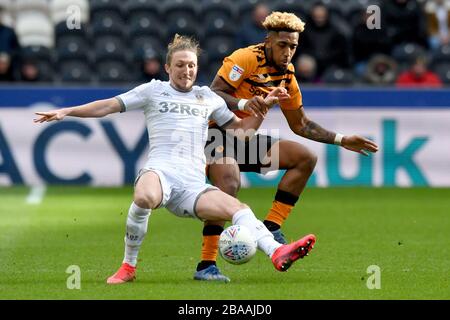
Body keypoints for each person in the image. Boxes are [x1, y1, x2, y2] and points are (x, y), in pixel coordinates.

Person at [33, 34, 317, 284]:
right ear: (168, 67)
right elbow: (107, 105)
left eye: (191, 65)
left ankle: (277, 251)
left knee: (238, 207)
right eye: (180, 65)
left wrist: (261, 109)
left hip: (193, 185)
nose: (186, 70)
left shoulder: (208, 97)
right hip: (160, 172)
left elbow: (241, 134)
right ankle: (128, 266)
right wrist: (66, 111)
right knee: (144, 198)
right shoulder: (153, 90)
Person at [193, 11, 379, 282]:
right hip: (216, 135)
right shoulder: (244, 58)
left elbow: (300, 124)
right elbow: (214, 92)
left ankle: (272, 226)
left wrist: (341, 139)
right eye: (282, 45)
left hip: (246, 140)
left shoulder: (287, 77)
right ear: (268, 41)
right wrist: (246, 104)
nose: (288, 52)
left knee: (304, 157)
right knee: (229, 185)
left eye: (293, 47)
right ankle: (206, 265)